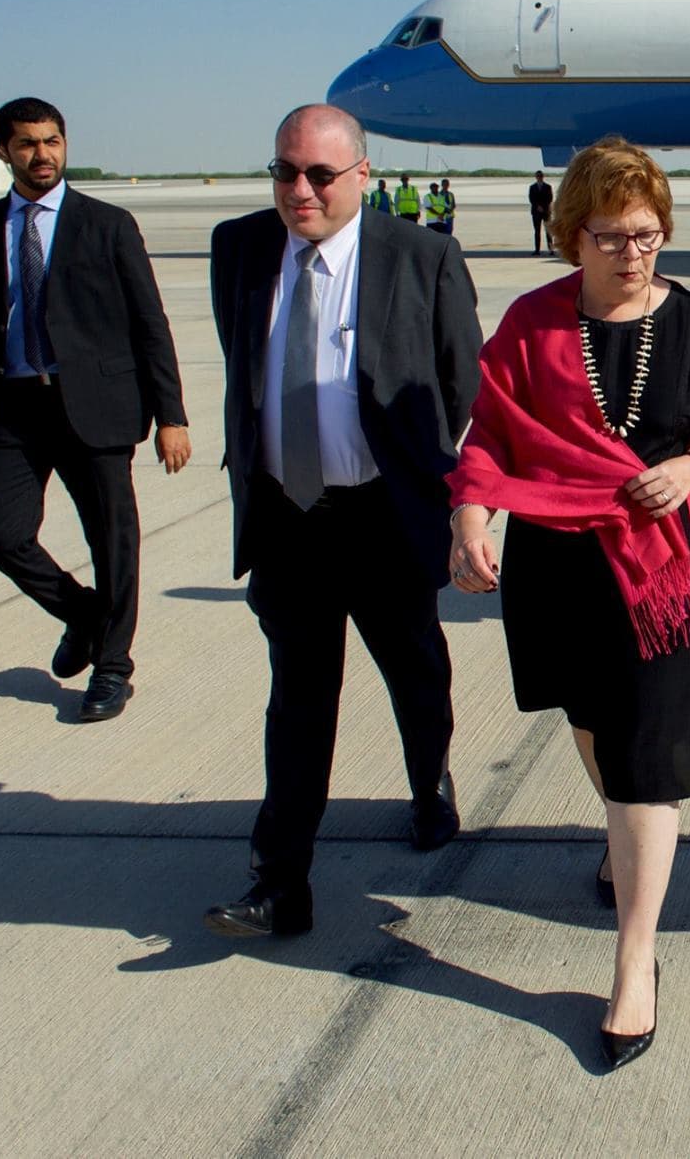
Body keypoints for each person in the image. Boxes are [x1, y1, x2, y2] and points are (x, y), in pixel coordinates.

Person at [446, 136, 690, 1070]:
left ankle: (635, 961)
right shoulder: (530, 323)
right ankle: (618, 844)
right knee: (592, 724)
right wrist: (471, 513)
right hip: (559, 563)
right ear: (572, 237)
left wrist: (688, 464)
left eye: (648, 234)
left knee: (643, 761)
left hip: (664, 571)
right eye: (612, 236)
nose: (633, 253)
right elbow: (489, 437)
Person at [203, 104, 482, 939]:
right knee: (298, 699)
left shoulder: (422, 257)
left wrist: (456, 496)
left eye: (320, 174)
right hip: (289, 519)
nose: (299, 190)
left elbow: (466, 387)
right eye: (285, 171)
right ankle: (279, 880)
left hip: (384, 518)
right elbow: (244, 367)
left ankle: (429, 778)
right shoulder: (240, 249)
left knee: (417, 674)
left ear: (362, 174)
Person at [0, 96, 191, 723]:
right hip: (10, 406)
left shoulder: (107, 223)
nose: (42, 153)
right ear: (3, 152)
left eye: (52, 140)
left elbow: (149, 323)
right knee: (0, 536)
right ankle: (83, 613)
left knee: (114, 540)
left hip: (97, 406)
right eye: (27, 143)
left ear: (65, 145)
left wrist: (172, 414)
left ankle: (112, 666)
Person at [528, 169, 554, 254]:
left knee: (548, 231)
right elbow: (531, 199)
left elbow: (550, 198)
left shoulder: (548, 187)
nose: (539, 178)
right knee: (537, 231)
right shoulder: (532, 187)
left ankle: (551, 249)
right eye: (538, 176)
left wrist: (543, 206)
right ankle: (537, 250)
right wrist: (537, 206)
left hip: (546, 211)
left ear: (543, 177)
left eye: (541, 176)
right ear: (536, 177)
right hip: (536, 211)